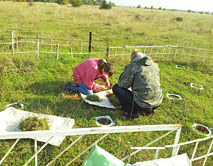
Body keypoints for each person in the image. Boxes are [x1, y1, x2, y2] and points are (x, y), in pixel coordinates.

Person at [112, 49, 163, 119]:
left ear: (132, 57)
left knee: (116, 88)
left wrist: (124, 74)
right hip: (157, 102)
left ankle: (131, 112)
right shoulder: (154, 64)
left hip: (141, 104)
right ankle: (150, 110)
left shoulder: (134, 65)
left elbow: (122, 84)